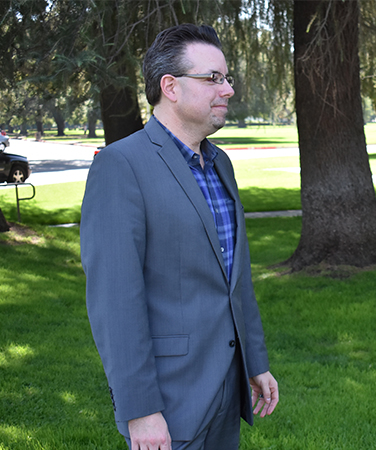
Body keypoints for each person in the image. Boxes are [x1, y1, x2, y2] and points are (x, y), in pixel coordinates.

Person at [81, 24, 279, 450]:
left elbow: (236, 278)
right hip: (169, 401)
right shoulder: (121, 165)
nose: (227, 90)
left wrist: (255, 362)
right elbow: (115, 302)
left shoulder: (220, 163)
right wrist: (140, 410)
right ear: (170, 86)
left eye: (227, 78)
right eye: (213, 79)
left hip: (228, 387)